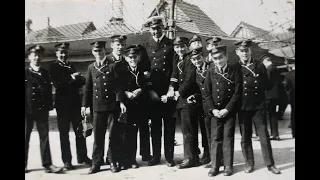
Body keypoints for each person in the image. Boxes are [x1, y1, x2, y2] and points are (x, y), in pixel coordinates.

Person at [234, 40, 281, 174]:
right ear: (237, 52)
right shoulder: (235, 67)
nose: (244, 53)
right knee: (245, 137)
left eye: (246, 50)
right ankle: (249, 163)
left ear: (250, 51)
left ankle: (270, 164)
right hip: (243, 106)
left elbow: (267, 83)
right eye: (241, 51)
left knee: (264, 135)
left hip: (258, 106)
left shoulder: (259, 65)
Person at [81, 41, 126, 174]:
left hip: (112, 106)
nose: (98, 53)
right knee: (98, 136)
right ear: (92, 52)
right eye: (96, 51)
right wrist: (84, 105)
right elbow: (88, 89)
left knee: (113, 135)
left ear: (105, 51)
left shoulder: (113, 66)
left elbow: (119, 87)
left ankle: (112, 160)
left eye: (100, 50)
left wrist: (121, 102)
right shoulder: (91, 68)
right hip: (97, 107)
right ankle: (96, 163)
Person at [49, 42, 91, 170]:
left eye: (65, 52)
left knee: (80, 131)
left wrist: (78, 78)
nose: (63, 55)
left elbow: (80, 82)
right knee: (64, 134)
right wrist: (72, 78)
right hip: (62, 106)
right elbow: (58, 84)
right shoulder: (54, 67)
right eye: (61, 52)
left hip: (75, 104)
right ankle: (67, 161)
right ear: (56, 53)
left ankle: (82, 156)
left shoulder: (71, 65)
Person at [203, 44, 241, 177]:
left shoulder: (234, 71)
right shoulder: (210, 71)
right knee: (215, 138)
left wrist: (227, 109)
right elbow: (207, 93)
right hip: (215, 112)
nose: (218, 61)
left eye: (220, 57)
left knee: (228, 138)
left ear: (226, 57)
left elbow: (237, 92)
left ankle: (228, 166)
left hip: (228, 112)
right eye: (215, 59)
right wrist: (213, 110)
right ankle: (215, 166)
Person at [142, 15, 176, 167]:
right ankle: (156, 156)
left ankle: (169, 157)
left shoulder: (171, 44)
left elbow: (175, 68)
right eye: (153, 29)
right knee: (155, 127)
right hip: (154, 94)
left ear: (163, 28)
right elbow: (144, 70)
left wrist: (171, 89)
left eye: (158, 28)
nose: (155, 31)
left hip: (167, 92)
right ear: (150, 30)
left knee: (169, 126)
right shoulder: (146, 45)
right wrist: (150, 89)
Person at [25, 45, 63, 173]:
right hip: (27, 111)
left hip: (42, 110)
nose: (37, 57)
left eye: (39, 55)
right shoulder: (25, 72)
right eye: (34, 55)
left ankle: (47, 165)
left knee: (45, 137)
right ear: (29, 57)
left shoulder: (45, 73)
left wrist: (49, 106)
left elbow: (47, 92)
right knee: (25, 137)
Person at [166, 36, 199, 168]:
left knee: (188, 129)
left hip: (188, 97)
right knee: (187, 129)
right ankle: (193, 156)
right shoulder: (178, 58)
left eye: (182, 47)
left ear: (187, 47)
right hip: (181, 98)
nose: (180, 49)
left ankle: (190, 159)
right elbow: (175, 74)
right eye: (177, 47)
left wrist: (178, 92)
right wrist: (170, 88)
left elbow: (190, 79)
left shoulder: (190, 58)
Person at [119, 45, 149, 169]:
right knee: (128, 134)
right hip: (128, 106)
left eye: (135, 57)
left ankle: (133, 159)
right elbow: (118, 87)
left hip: (140, 106)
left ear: (138, 57)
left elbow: (146, 85)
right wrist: (126, 93)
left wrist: (141, 89)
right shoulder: (123, 72)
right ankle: (127, 159)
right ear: (126, 58)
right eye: (130, 57)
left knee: (136, 132)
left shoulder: (141, 71)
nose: (133, 59)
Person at [187, 34, 210, 162]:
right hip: (198, 103)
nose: (197, 61)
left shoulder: (209, 68)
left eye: (198, 58)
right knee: (200, 127)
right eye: (194, 60)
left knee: (207, 129)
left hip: (208, 104)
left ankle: (208, 153)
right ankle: (201, 151)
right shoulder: (194, 70)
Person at [261, 55, 281, 141]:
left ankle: (265, 135)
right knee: (273, 115)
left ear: (266, 61)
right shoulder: (276, 69)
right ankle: (275, 134)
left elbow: (267, 82)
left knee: (264, 115)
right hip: (276, 96)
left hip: (268, 96)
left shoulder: (268, 69)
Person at [284, 66, 295, 138]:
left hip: (293, 96)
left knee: (293, 114)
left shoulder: (289, 74)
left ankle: (294, 133)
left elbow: (286, 86)